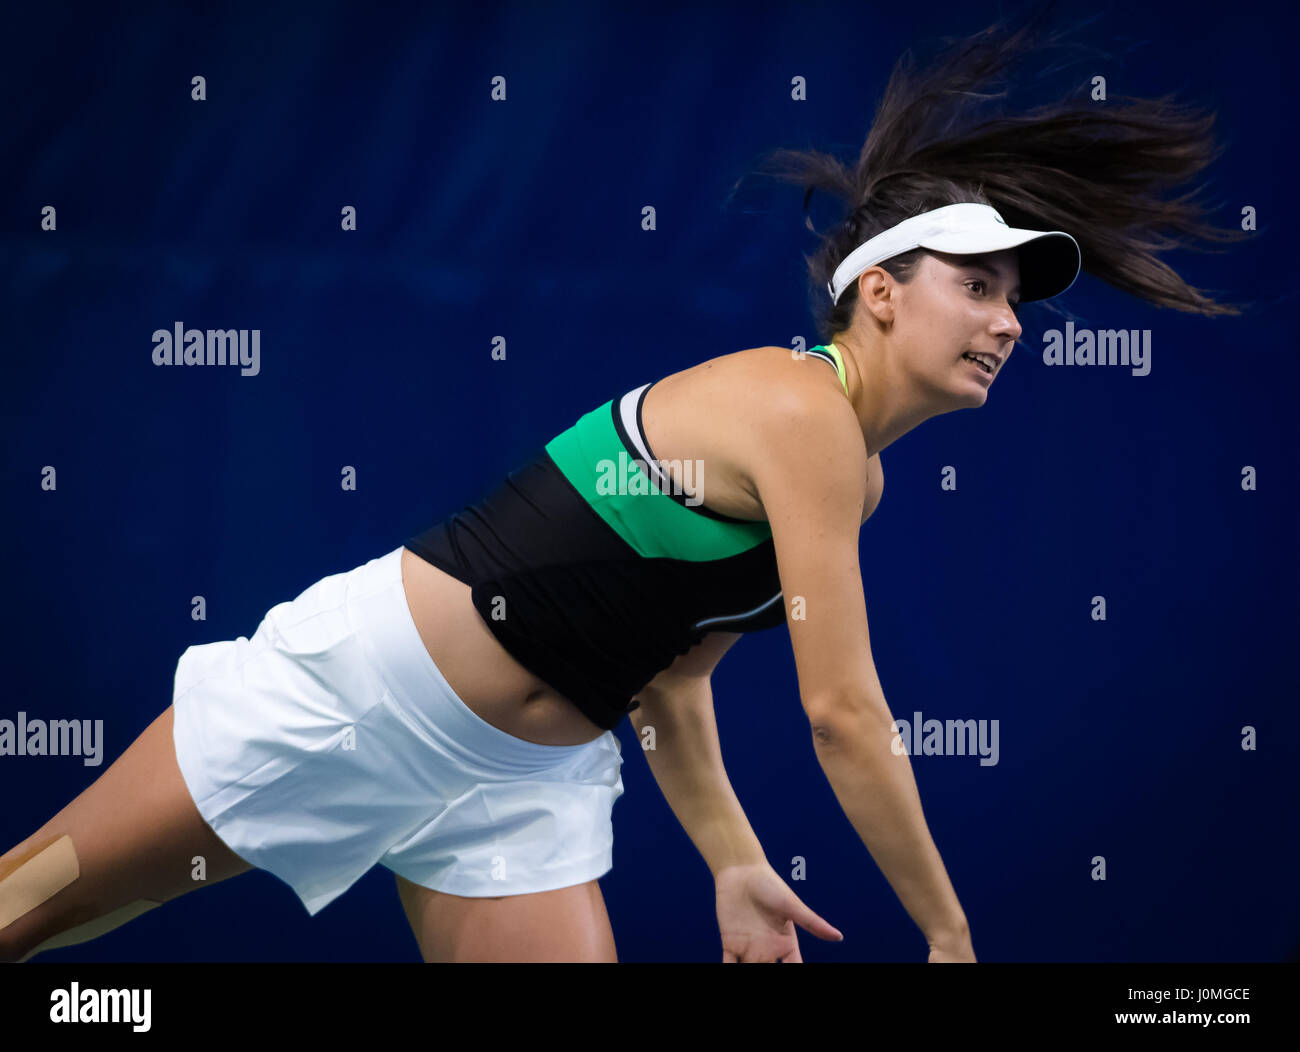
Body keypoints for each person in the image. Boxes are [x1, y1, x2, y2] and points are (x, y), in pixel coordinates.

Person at [0, 12, 1250, 964]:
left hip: (521, 787)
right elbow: (845, 717)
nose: (1007, 322)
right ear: (879, 290)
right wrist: (948, 937)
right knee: (27, 920)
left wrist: (734, 860)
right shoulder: (796, 411)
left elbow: (670, 674)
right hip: (359, 697)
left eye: (1016, 301)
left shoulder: (850, 476)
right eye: (976, 287)